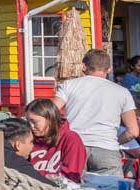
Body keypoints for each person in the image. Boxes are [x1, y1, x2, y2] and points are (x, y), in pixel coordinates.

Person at [54, 48, 139, 176]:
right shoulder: (122, 92)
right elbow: (133, 132)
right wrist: (115, 141)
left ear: (84, 66)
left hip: (75, 147)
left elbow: (49, 111)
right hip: (107, 148)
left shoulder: (69, 85)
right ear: (109, 69)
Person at [23, 97, 87, 184]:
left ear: (50, 119)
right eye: (28, 121)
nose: (31, 126)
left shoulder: (70, 139)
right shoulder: (29, 138)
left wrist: (34, 175)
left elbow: (70, 177)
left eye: (34, 122)